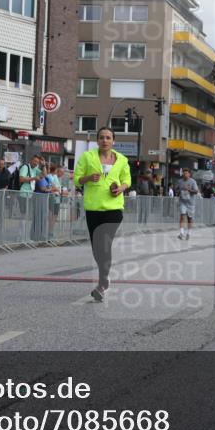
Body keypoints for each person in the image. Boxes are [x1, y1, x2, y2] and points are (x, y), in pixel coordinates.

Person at [74, 127, 131, 302]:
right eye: (101, 137)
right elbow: (77, 179)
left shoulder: (122, 159)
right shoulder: (87, 157)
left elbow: (127, 180)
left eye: (108, 137)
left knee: (104, 244)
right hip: (93, 208)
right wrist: (88, 178)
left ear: (113, 141)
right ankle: (104, 277)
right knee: (97, 248)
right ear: (97, 140)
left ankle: (102, 284)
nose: (105, 140)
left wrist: (120, 188)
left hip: (114, 209)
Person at [175, 168, 199, 240]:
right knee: (182, 216)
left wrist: (189, 190)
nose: (185, 175)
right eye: (184, 173)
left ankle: (188, 233)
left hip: (191, 203)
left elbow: (196, 191)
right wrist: (178, 192)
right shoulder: (180, 181)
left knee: (189, 218)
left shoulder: (193, 181)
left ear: (189, 174)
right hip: (183, 201)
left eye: (186, 173)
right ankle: (181, 233)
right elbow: (176, 189)